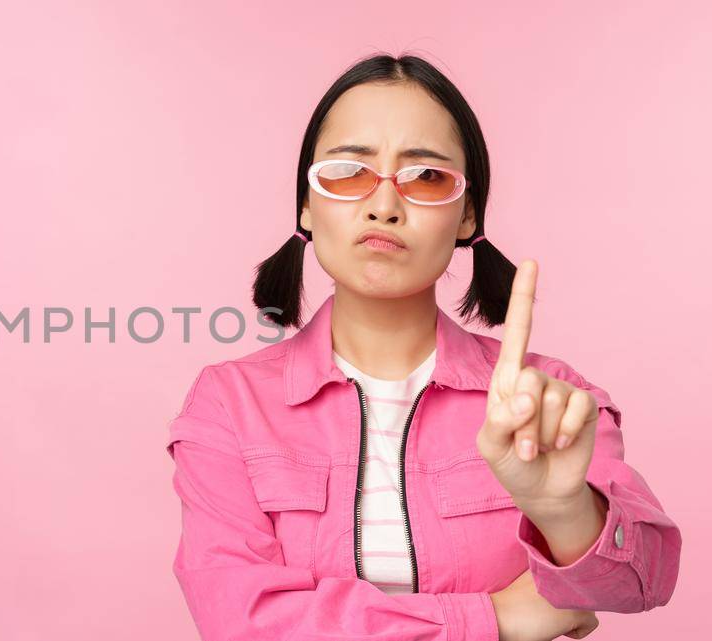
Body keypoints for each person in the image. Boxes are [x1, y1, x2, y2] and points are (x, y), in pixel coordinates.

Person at [163, 54, 681, 641]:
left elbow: (640, 586)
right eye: (348, 171)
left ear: (467, 216)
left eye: (427, 177)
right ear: (306, 205)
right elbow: (240, 620)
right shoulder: (229, 403)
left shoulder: (548, 400)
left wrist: (565, 511)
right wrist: (496, 619)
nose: (384, 204)